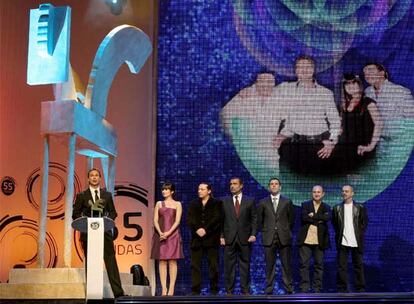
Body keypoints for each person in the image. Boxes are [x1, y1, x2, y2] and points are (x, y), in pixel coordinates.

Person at [275, 55, 341, 174]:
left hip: (320, 146)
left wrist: (331, 142)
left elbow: (335, 121)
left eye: (308, 67)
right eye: (300, 67)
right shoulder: (286, 88)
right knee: (290, 187)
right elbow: (264, 90)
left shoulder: (325, 93)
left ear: (314, 69)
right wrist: (282, 135)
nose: (304, 70)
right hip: (293, 146)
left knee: (317, 186)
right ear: (295, 70)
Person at [220, 72, 286, 182]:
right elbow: (225, 115)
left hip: (269, 153)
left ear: (274, 84)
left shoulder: (280, 98)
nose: (266, 85)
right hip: (246, 152)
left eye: (269, 82)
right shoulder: (245, 96)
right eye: (262, 81)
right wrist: (235, 136)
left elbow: (294, 119)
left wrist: (283, 135)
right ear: (256, 82)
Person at [72, 168, 124, 298]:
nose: (94, 177)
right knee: (91, 263)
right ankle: (92, 294)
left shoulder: (107, 195)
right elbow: (75, 214)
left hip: (105, 233)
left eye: (96, 175)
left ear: (100, 178)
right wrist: (87, 219)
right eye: (91, 175)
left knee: (111, 263)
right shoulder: (82, 196)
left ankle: (119, 294)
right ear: (88, 179)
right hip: (88, 234)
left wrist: (106, 221)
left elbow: (113, 212)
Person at [331, 74, 382, 171]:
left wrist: (371, 146)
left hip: (362, 149)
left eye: (354, 83)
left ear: (359, 85)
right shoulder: (342, 105)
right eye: (347, 84)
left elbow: (379, 124)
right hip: (344, 150)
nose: (350, 86)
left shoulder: (368, 102)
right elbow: (341, 128)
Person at [220, 177, 257, 295]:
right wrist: (221, 236)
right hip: (229, 238)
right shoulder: (224, 201)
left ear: (241, 186)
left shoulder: (250, 200)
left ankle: (245, 291)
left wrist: (253, 234)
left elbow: (254, 219)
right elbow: (221, 220)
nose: (232, 186)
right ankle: (229, 291)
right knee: (229, 266)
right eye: (231, 184)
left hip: (245, 238)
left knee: (245, 265)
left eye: (235, 184)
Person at [257, 177, 295, 294]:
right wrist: (266, 231)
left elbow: (291, 220)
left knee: (286, 265)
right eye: (272, 184)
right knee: (269, 265)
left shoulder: (287, 201)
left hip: (284, 237)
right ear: (269, 187)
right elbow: (260, 220)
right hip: (269, 237)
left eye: (276, 184)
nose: (274, 186)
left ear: (280, 187)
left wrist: (284, 230)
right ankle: (269, 288)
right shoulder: (263, 202)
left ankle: (288, 288)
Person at [187, 182, 222, 295]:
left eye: (202, 189)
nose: (199, 191)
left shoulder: (217, 203)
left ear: (209, 191)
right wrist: (197, 229)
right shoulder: (193, 204)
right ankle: (195, 290)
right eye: (199, 189)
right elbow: (190, 220)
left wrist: (205, 229)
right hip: (197, 239)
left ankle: (214, 289)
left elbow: (217, 219)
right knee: (195, 266)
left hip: (211, 239)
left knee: (213, 265)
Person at [332, 185, 368, 292]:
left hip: (356, 240)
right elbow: (335, 224)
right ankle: (342, 288)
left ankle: (360, 288)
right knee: (342, 266)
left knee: (358, 265)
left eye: (347, 191)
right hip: (342, 240)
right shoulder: (337, 208)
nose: (344, 193)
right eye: (343, 191)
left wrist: (359, 234)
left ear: (352, 193)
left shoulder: (360, 207)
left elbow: (364, 223)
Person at [150, 182, 183, 296]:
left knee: (173, 261)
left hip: (173, 234)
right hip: (160, 234)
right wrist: (160, 233)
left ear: (172, 191)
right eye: (163, 189)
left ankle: (171, 288)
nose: (164, 191)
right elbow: (155, 220)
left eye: (166, 189)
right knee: (162, 261)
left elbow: (177, 221)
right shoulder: (159, 203)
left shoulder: (178, 204)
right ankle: (164, 288)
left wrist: (168, 233)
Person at [297, 185, 331, 293]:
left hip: (319, 241)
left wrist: (313, 216)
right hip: (306, 240)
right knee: (304, 265)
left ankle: (317, 288)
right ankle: (304, 288)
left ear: (323, 194)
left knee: (319, 265)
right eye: (314, 192)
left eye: (318, 192)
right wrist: (319, 219)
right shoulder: (305, 205)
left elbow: (327, 218)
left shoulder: (326, 207)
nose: (316, 194)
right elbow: (304, 217)